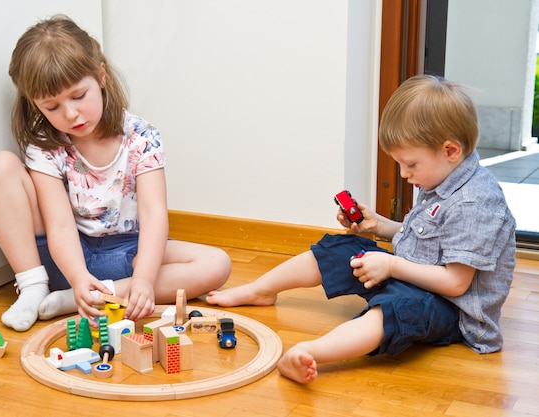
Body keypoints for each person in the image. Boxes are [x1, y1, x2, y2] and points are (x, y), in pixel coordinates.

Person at [206, 74, 516, 384]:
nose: (405, 174)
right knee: (339, 249)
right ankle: (259, 290)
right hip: (412, 276)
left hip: (450, 310)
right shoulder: (442, 175)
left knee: (397, 309)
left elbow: (455, 283)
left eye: (410, 164)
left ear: (451, 151)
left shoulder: (474, 204)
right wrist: (379, 226)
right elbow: (428, 243)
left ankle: (310, 352)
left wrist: (391, 265)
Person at [0, 15, 231, 332]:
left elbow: (154, 215)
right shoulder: (45, 145)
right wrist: (77, 275)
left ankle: (88, 297)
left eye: (78, 96)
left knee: (217, 264)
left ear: (101, 77)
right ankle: (35, 288)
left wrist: (144, 280)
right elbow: (58, 224)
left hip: (129, 254)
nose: (70, 114)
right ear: (35, 105)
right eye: (52, 107)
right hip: (66, 258)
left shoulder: (141, 137)